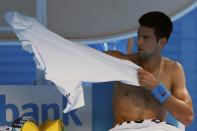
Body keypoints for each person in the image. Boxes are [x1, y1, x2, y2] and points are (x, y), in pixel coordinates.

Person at [107, 11, 194, 131]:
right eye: (139, 36)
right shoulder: (121, 61)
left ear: (162, 42)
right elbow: (86, 58)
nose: (139, 42)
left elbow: (187, 118)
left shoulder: (173, 69)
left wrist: (157, 89)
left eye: (145, 38)